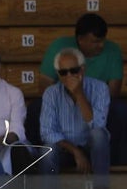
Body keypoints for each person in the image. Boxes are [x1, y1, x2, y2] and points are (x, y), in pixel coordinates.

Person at [37, 13, 125, 164]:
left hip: (99, 104)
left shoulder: (112, 50)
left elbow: (113, 93)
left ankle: (112, 173)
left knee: (117, 114)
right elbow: (45, 86)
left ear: (82, 70)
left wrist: (81, 95)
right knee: (36, 108)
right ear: (80, 39)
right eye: (95, 41)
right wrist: (63, 98)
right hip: (62, 103)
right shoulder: (59, 47)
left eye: (103, 40)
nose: (101, 45)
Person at [39, 47, 111, 189]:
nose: (69, 76)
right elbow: (47, 132)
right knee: (48, 150)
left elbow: (97, 124)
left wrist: (79, 93)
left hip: (91, 148)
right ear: (58, 74)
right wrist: (75, 151)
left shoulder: (100, 88)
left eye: (74, 70)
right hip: (65, 149)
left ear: (82, 69)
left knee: (98, 134)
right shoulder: (51, 93)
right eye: (63, 72)